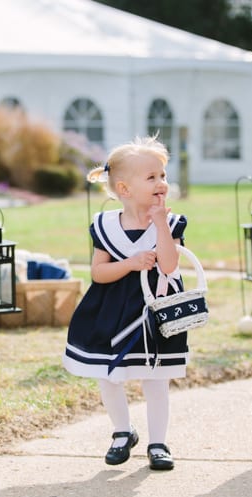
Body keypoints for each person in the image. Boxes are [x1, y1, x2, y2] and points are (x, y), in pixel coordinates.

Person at [63, 136, 187, 471]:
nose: (161, 183)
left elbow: (170, 265)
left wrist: (160, 223)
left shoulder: (171, 223)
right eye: (151, 178)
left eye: (162, 175)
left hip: (154, 312)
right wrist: (130, 263)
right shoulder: (105, 226)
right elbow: (98, 273)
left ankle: (158, 442)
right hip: (112, 311)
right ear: (124, 188)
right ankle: (122, 431)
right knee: (109, 374)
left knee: (156, 377)